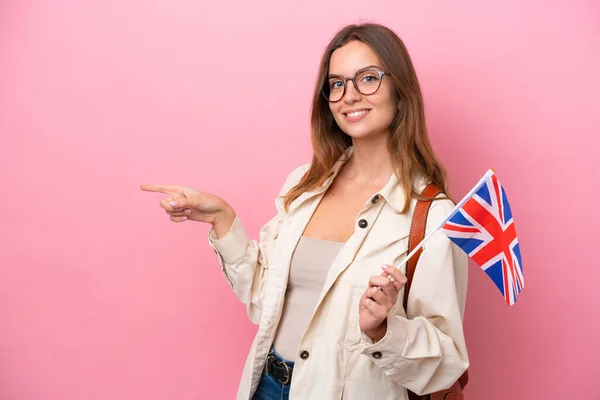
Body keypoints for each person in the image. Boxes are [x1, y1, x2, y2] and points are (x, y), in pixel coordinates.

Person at [141, 22, 469, 400]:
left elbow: (445, 364)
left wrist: (383, 330)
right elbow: (267, 302)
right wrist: (223, 219)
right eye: (337, 83)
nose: (349, 95)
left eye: (368, 78)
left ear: (400, 90)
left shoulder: (431, 217)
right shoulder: (306, 185)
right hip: (267, 384)